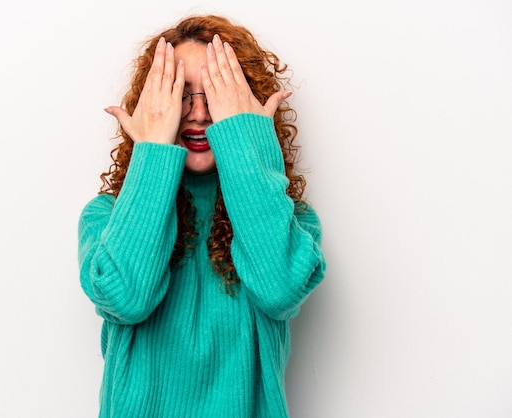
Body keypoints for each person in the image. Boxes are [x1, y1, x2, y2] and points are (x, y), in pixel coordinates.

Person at [77, 14, 326, 417]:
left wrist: (244, 143)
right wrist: (154, 150)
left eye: (216, 94)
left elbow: (279, 290)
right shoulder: (105, 216)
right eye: (179, 94)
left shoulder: (292, 221)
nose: (196, 114)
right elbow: (126, 299)